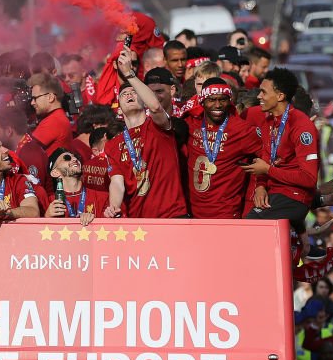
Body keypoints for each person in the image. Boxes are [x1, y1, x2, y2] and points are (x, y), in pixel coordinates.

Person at [104, 50, 188, 219]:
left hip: (172, 217)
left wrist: (129, 74)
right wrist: (113, 206)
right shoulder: (113, 145)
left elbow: (156, 107)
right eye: (123, 94)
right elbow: (117, 183)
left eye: (134, 92)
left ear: (143, 100)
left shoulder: (158, 126)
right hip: (141, 224)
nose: (128, 94)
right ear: (119, 108)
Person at [243, 68, 320, 232]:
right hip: (276, 192)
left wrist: (268, 170)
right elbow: (266, 157)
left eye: (263, 92)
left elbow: (309, 178)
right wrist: (260, 186)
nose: (259, 97)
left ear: (280, 96)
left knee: (249, 227)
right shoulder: (269, 120)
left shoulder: (301, 125)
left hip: (294, 197)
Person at [182, 80, 260, 219]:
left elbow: (266, 157)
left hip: (226, 214)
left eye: (223, 100)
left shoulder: (241, 130)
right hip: (192, 213)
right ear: (202, 101)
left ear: (229, 101)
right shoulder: (190, 124)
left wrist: (260, 186)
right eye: (212, 100)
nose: (217, 105)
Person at [44, 148, 106, 225]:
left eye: (76, 156)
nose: (74, 159)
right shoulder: (49, 202)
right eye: (67, 158)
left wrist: (95, 221)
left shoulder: (103, 198)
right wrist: (47, 217)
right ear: (55, 172)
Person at [28, 72, 74, 154]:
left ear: (50, 97)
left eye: (35, 98)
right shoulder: (58, 117)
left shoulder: (54, 121)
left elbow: (26, 150)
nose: (32, 102)